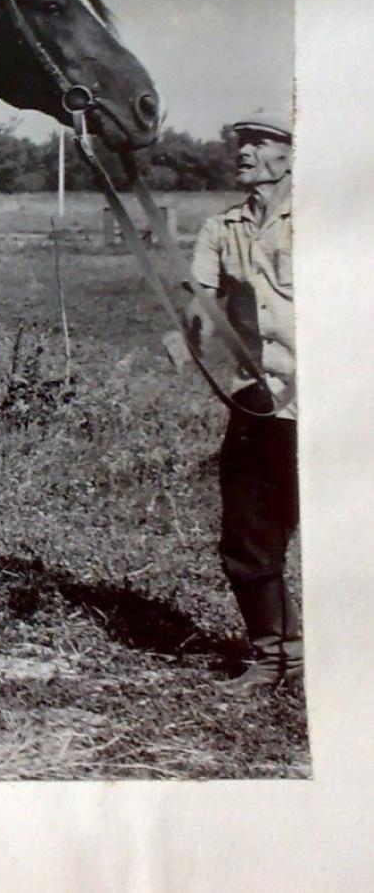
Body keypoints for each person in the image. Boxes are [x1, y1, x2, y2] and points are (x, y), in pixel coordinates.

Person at [186, 109, 300, 692]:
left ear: (293, 154)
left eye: (261, 142)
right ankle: (275, 656)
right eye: (243, 143)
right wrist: (190, 331)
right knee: (247, 529)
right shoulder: (220, 227)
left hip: (328, 396)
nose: (246, 152)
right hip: (261, 400)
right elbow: (202, 299)